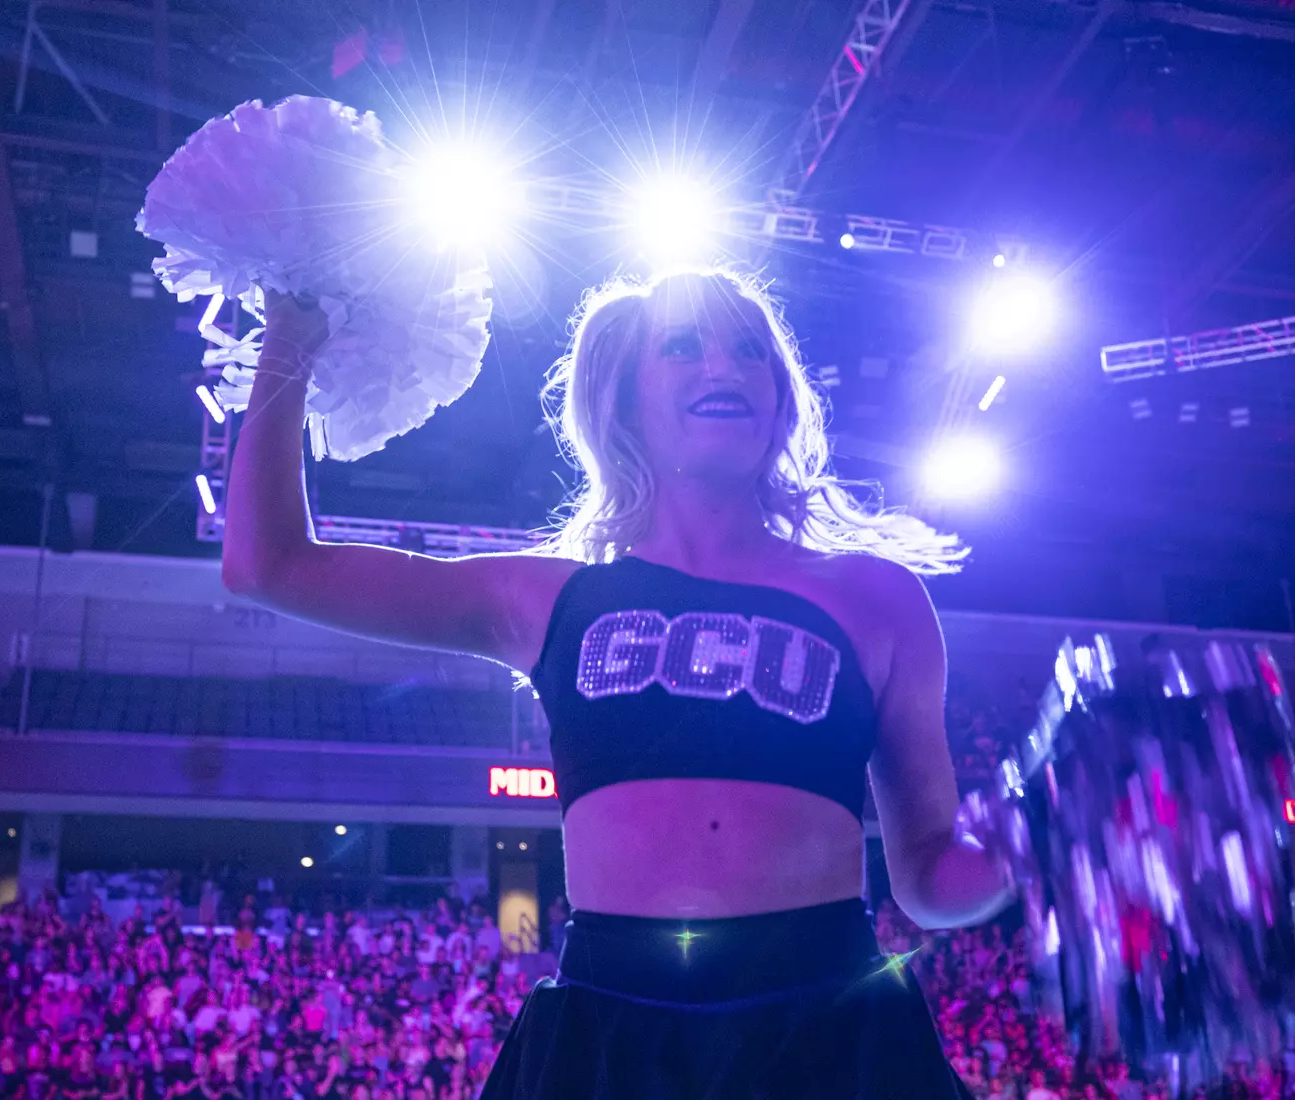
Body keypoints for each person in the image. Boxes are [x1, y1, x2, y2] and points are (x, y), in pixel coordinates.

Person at [224, 269, 1018, 1097]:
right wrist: (290, 335)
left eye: (750, 350)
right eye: (684, 347)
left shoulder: (877, 598)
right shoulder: (545, 598)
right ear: (625, 400)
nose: (724, 366)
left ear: (781, 400)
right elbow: (266, 564)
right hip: (611, 1032)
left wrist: (1020, 855)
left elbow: (928, 882)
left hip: (832, 1025)